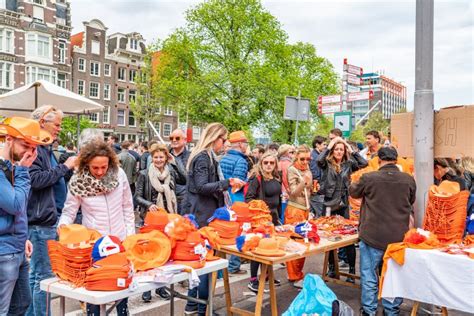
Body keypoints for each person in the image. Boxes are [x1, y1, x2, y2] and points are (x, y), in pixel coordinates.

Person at [58, 140, 134, 315]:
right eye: (95, 168)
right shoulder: (78, 180)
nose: (100, 172)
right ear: (86, 164)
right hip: (94, 245)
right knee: (95, 291)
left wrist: (129, 236)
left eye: (103, 167)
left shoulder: (120, 174)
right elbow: (69, 211)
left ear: (110, 163)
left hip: (119, 240)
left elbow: (127, 207)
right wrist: (63, 226)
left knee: (122, 290)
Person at [350, 147, 416, 315]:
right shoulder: (408, 180)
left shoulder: (369, 177)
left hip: (372, 235)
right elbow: (411, 200)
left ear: (379, 160)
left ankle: (369, 310)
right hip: (397, 236)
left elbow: (353, 192)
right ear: (396, 159)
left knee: (369, 276)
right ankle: (391, 310)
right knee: (393, 277)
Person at [185, 123, 240, 316]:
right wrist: (228, 183)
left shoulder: (207, 157)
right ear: (214, 138)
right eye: (223, 140)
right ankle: (202, 309)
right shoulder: (203, 158)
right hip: (202, 215)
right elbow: (201, 187)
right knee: (205, 262)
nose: (225, 144)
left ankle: (192, 305)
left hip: (202, 212)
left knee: (200, 260)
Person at [27, 106, 77, 316]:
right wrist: (65, 167)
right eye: (56, 124)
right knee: (44, 277)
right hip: (41, 222)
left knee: (35, 275)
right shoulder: (35, 148)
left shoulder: (46, 149)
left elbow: (52, 179)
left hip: (46, 219)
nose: (58, 129)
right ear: (42, 123)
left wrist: (66, 172)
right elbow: (36, 180)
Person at [0, 117, 51, 315]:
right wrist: (23, 170)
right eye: (26, 145)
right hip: (4, 251)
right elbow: (15, 204)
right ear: (9, 139)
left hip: (16, 247)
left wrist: (23, 237)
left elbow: (17, 208)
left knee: (22, 303)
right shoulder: (12, 168)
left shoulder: (11, 166)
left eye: (33, 147)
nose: (30, 152)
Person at [135, 143, 186, 302]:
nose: (158, 160)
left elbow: (184, 179)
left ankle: (161, 287)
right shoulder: (144, 174)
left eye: (161, 157)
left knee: (165, 253)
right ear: (151, 157)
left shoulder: (171, 171)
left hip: (168, 218)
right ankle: (147, 290)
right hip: (151, 219)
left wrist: (174, 161)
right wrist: (149, 205)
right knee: (150, 252)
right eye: (155, 157)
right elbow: (137, 196)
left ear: (166, 158)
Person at [317, 136, 367, 283]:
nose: (339, 152)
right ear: (333, 151)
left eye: (341, 149)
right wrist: (329, 146)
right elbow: (318, 160)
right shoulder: (326, 163)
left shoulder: (349, 163)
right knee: (328, 237)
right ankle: (331, 267)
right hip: (329, 204)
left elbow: (364, 163)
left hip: (343, 203)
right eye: (336, 149)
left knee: (347, 238)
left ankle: (351, 269)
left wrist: (351, 150)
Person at [245, 152, 282, 293]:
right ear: (261, 163)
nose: (268, 165)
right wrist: (260, 209)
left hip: (273, 217)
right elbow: (248, 198)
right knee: (258, 248)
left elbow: (278, 199)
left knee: (269, 247)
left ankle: (266, 275)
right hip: (260, 219)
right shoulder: (257, 179)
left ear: (275, 165)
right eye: (265, 162)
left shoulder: (276, 178)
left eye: (271, 163)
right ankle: (253, 280)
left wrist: (278, 218)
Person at [219, 131, 249, 275]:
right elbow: (238, 183)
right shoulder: (241, 161)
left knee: (222, 231)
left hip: (222, 197)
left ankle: (219, 269)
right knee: (239, 231)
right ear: (241, 144)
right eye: (246, 143)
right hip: (235, 199)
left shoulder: (223, 158)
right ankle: (233, 266)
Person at [285, 145, 313, 289]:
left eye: (308, 159)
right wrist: (304, 182)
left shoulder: (307, 169)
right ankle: (294, 275)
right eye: (302, 159)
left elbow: (308, 190)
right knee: (296, 243)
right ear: (296, 157)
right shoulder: (292, 169)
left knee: (303, 243)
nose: (305, 162)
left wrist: (313, 186)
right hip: (295, 210)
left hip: (305, 210)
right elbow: (293, 193)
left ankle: (297, 273)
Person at [169, 129, 191, 214]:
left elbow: (187, 178)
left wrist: (174, 162)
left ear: (185, 140)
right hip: (167, 197)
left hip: (183, 198)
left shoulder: (191, 156)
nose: (174, 140)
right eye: (171, 138)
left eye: (177, 138)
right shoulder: (163, 155)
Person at [309, 136, 327, 217]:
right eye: (324, 144)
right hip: (317, 192)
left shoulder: (316, 155)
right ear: (317, 145)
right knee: (319, 216)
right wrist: (316, 190)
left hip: (317, 191)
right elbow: (315, 175)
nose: (325, 147)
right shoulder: (315, 157)